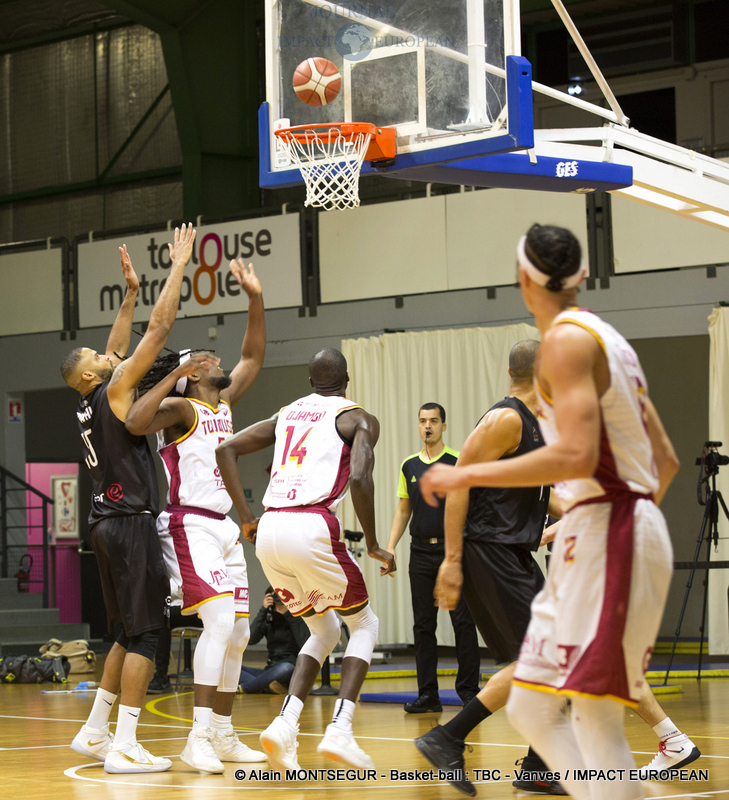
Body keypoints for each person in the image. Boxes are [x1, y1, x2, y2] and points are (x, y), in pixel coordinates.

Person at [420, 223, 681, 800]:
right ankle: (576, 783)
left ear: (521, 280)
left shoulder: (563, 342)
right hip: (616, 524)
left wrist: (465, 472)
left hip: (609, 528)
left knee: (591, 713)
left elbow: (578, 453)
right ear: (583, 276)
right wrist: (621, 521)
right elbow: (665, 462)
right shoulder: (610, 341)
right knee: (537, 704)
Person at [216, 348, 396, 772]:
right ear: (346, 380)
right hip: (312, 524)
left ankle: (285, 723)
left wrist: (246, 517)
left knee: (324, 628)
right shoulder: (358, 418)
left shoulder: (288, 414)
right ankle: (341, 729)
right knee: (365, 624)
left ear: (311, 381)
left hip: (270, 530)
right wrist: (372, 543)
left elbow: (225, 449)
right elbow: (360, 477)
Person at [61, 225, 196, 774]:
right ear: (93, 374)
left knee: (123, 630)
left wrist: (132, 292)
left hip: (103, 524)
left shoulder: (92, 397)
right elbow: (159, 330)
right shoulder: (116, 389)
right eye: (99, 354)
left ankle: (95, 730)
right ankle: (126, 743)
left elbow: (116, 347)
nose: (108, 349)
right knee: (148, 634)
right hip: (132, 521)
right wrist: (178, 266)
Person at [124, 258, 267, 773]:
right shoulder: (182, 410)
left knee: (240, 634)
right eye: (205, 358)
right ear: (191, 372)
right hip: (189, 523)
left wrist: (254, 297)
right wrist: (174, 376)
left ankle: (224, 734)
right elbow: (137, 420)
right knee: (219, 621)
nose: (217, 358)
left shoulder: (222, 402)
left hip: (224, 526)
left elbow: (253, 354)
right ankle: (198, 736)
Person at [414, 340, 563, 796]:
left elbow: (537, 491)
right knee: (539, 660)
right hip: (488, 552)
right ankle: (446, 737)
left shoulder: (535, 425)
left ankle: (538, 766)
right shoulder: (507, 419)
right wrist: (453, 563)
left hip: (512, 552)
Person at [386, 403, 480, 713]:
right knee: (423, 626)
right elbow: (403, 509)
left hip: (453, 552)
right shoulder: (409, 465)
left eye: (434, 421)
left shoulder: (457, 462)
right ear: (418, 425)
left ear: (443, 426)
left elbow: (471, 508)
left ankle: (468, 692)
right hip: (420, 552)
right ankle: (428, 695)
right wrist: (390, 548)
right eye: (423, 421)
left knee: (463, 623)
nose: (428, 426)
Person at [239, 586, 310, 694]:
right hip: (269, 671)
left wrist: (289, 615)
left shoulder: (297, 617)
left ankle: (246, 688)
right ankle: (267, 687)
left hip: (290, 669)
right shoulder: (269, 618)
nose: (278, 599)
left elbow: (305, 643)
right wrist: (263, 610)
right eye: (274, 596)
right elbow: (251, 639)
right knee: (232, 668)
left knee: (285, 667)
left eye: (280, 596)